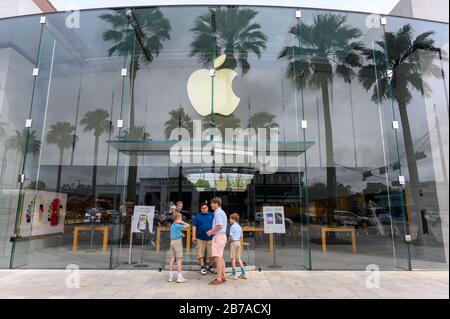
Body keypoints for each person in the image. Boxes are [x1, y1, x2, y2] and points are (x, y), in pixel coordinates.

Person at [206, 197, 228, 285]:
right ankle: (223, 277)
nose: (210, 205)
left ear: (216, 203)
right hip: (222, 236)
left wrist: (210, 232)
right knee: (221, 257)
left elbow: (219, 226)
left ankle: (219, 279)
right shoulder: (221, 212)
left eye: (211, 203)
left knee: (218, 258)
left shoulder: (218, 213)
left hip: (218, 237)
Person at [192, 203, 215, 275]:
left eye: (205, 208)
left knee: (211, 254)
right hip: (200, 238)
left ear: (208, 208)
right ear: (200, 209)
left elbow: (217, 225)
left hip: (211, 238)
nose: (204, 209)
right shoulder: (197, 216)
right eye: (202, 208)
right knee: (200, 253)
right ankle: (202, 267)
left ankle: (211, 266)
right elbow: (194, 227)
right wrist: (193, 236)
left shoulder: (212, 215)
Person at [168, 211, 190, 283]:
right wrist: (182, 222)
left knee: (171, 259)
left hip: (172, 242)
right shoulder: (178, 225)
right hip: (177, 242)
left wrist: (181, 234)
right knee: (179, 260)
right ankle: (179, 277)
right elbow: (188, 225)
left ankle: (170, 277)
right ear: (177, 218)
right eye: (180, 217)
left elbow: (174, 231)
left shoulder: (173, 225)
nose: (181, 218)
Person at [228, 213, 247, 280]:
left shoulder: (232, 226)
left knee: (233, 258)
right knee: (238, 258)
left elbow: (231, 237)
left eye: (230, 219)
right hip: (238, 242)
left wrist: (228, 242)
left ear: (234, 219)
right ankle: (243, 273)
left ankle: (234, 274)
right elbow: (241, 236)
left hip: (233, 242)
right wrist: (241, 244)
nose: (229, 220)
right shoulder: (239, 226)